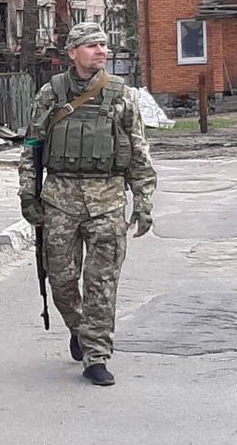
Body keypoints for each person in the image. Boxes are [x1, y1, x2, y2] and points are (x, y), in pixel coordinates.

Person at [18, 22, 158, 386]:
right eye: (92, 45)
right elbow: (32, 147)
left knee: (102, 284)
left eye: (104, 45)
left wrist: (143, 201)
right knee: (61, 281)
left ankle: (96, 354)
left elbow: (139, 151)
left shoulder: (121, 95)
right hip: (60, 202)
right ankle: (79, 328)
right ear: (72, 52)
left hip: (107, 202)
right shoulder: (51, 94)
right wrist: (28, 195)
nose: (101, 51)